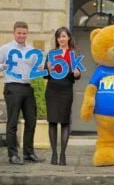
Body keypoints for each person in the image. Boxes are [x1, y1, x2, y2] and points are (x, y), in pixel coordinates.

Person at [0, 21, 45, 165]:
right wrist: (4, 65)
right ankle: (13, 155)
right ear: (14, 33)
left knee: (31, 122)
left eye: (24, 33)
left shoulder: (31, 50)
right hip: (12, 87)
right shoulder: (5, 49)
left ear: (27, 34)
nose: (22, 35)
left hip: (27, 87)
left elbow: (36, 68)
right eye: (19, 33)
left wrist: (43, 67)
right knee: (12, 122)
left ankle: (29, 153)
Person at [44, 27, 81, 165]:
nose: (61, 39)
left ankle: (63, 155)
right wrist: (48, 69)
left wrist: (77, 73)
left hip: (66, 90)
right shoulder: (52, 54)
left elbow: (77, 75)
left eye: (64, 36)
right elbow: (45, 75)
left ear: (68, 38)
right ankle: (54, 154)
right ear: (57, 39)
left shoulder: (73, 54)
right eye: (59, 37)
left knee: (65, 121)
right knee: (52, 121)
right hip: (52, 90)